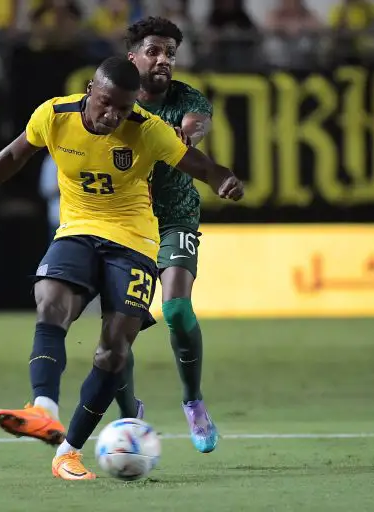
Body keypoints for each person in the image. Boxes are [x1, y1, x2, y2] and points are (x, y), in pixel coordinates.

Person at [0, 56, 244, 480]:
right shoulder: (54, 115)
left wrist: (223, 180)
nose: (113, 116)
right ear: (89, 91)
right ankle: (43, 409)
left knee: (114, 350)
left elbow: (203, 166)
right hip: (78, 230)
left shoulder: (147, 130)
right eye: (106, 104)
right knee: (50, 301)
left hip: (133, 242)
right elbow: (11, 157)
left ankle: (68, 451)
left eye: (123, 108)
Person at [109, 16, 222, 454]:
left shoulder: (185, 99)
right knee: (118, 332)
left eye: (170, 54)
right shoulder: (111, 98)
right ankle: (129, 412)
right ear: (131, 56)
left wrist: (183, 134)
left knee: (176, 309)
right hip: (122, 222)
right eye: (154, 51)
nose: (163, 60)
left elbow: (195, 124)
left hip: (174, 216)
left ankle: (193, 401)